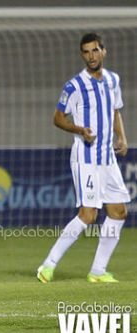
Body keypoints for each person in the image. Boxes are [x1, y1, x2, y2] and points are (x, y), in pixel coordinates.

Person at [37, 33, 130, 284]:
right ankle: (48, 265)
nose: (91, 56)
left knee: (119, 211)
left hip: (107, 157)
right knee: (88, 215)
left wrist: (122, 137)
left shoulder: (113, 80)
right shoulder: (74, 86)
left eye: (94, 51)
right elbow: (57, 118)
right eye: (86, 52)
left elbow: (115, 110)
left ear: (103, 51)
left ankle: (98, 271)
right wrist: (80, 130)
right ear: (82, 55)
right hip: (85, 157)